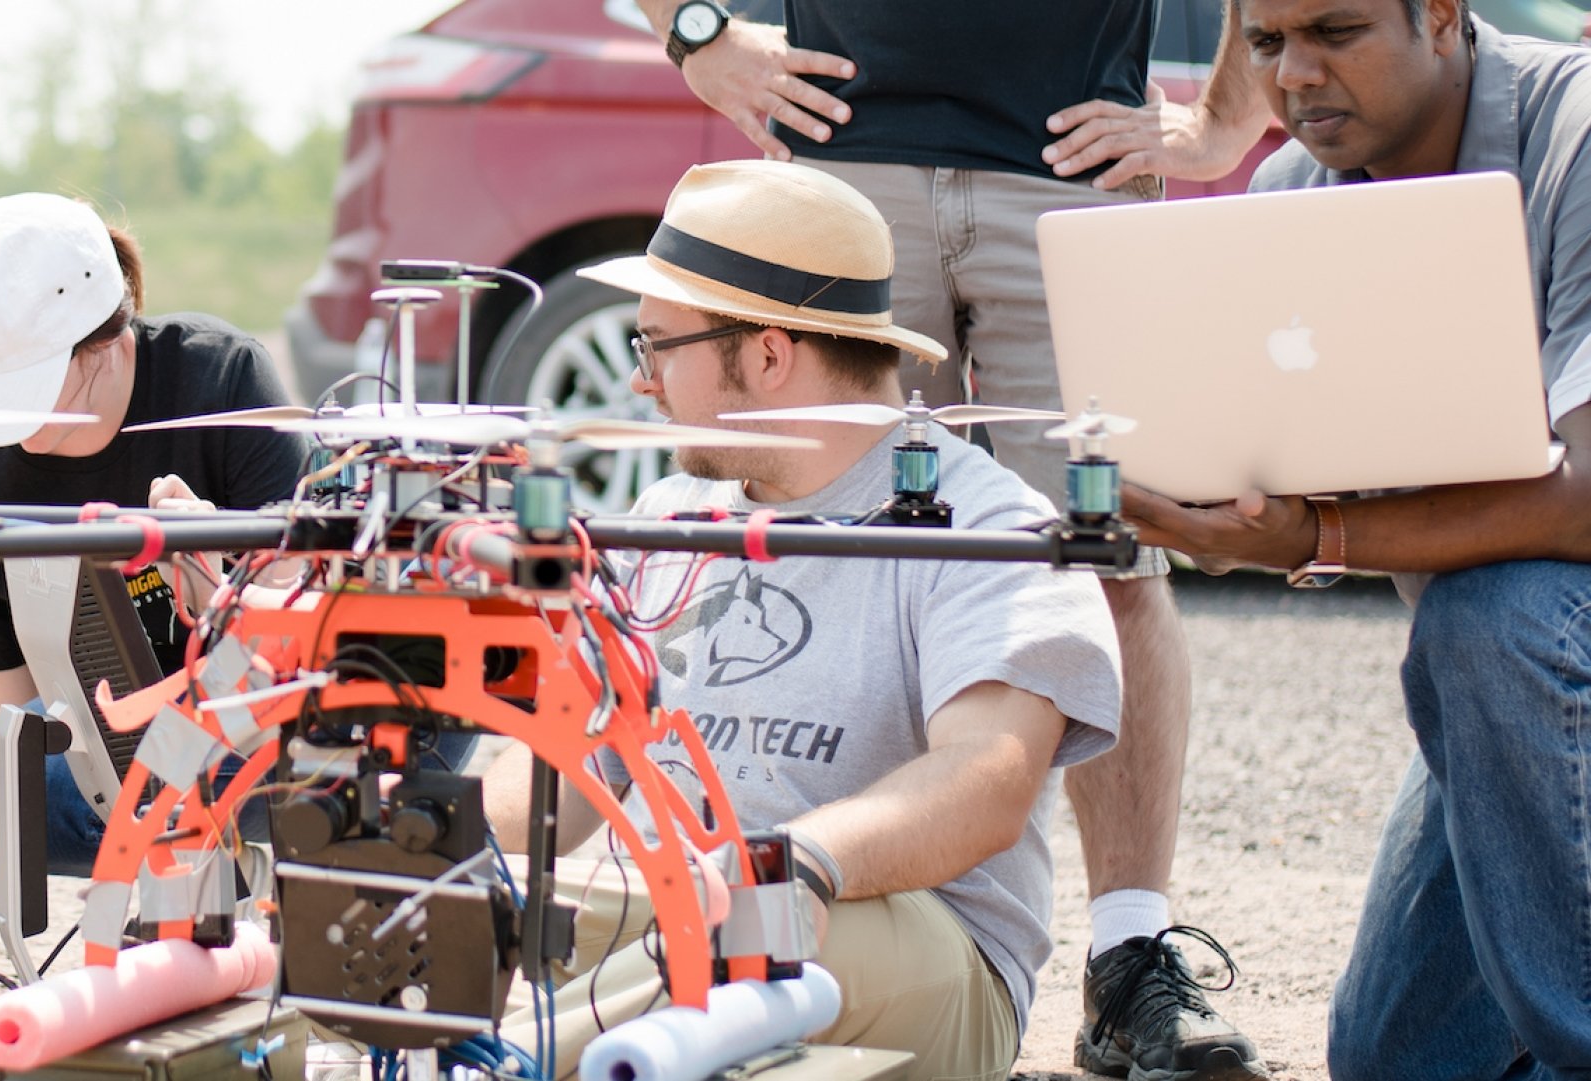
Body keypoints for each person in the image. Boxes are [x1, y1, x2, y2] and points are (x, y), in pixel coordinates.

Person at [631, 3, 1275, 1075]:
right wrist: (698, 32)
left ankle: (1126, 954)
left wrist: (1220, 124)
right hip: (848, 145)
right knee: (821, 526)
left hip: (1069, 156)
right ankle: (814, 884)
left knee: (1103, 555)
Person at [480, 159, 1124, 1081]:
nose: (643, 385)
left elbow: (988, 778)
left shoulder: (989, 523)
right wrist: (459, 861)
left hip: (908, 946)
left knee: (740, 923)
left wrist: (801, 862)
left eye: (658, 347)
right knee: (409, 929)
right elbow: (563, 754)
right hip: (661, 913)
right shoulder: (662, 516)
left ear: (770, 354)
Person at [1122, 1, 1591, 1077]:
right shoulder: (1291, 202)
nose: (1297, 77)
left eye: (1335, 31)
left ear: (1440, 16)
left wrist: (1316, 534)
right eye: (1271, 44)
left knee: (1496, 618)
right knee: (1400, 1055)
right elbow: (1280, 470)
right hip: (1519, 646)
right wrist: (1199, 500)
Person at [0, 193, 322, 972]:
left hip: (271, 729)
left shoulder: (222, 383)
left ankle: (290, 900)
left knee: (372, 733)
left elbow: (306, 632)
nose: (9, 420)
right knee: (2, 779)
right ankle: (187, 901)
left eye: (24, 384)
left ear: (103, 341)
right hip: (118, 756)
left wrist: (210, 571)